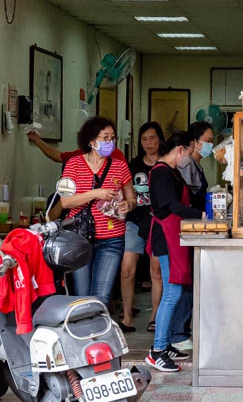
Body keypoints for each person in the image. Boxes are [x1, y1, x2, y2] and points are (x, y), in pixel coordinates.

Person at [59, 117, 136, 308]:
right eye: (105, 138)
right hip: (80, 237)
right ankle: (84, 336)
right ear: (92, 141)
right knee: (82, 296)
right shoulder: (74, 165)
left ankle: (97, 336)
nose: (110, 142)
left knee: (102, 296)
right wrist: (96, 193)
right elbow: (66, 202)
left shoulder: (119, 165)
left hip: (112, 238)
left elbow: (132, 198)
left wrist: (128, 205)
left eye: (112, 137)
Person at [146, 131, 204, 372]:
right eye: (189, 152)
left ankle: (166, 343)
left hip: (174, 234)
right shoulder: (160, 172)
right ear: (180, 149)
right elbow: (173, 206)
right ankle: (157, 350)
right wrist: (202, 215)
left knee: (175, 290)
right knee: (173, 292)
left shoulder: (171, 172)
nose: (189, 158)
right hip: (165, 237)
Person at [120, 121, 165, 333]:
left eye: (152, 138)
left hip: (158, 223)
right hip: (135, 221)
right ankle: (127, 316)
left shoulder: (165, 164)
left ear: (160, 140)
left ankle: (155, 317)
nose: (148, 143)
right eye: (144, 139)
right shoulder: (133, 165)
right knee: (128, 269)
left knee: (156, 271)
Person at [180, 121, 214, 208]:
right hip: (191, 217)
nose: (211, 145)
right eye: (208, 141)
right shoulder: (187, 163)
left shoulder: (197, 164)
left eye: (212, 141)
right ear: (194, 141)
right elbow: (184, 195)